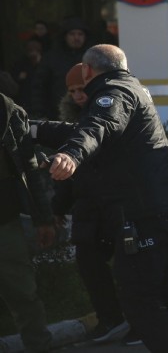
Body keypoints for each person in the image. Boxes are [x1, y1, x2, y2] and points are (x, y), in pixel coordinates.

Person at [42, 44, 168, 353]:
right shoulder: (129, 87)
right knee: (160, 290)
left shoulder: (113, 93)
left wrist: (71, 153)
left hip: (145, 211)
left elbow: (99, 126)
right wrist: (33, 130)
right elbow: (85, 128)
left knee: (139, 297)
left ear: (87, 71)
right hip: (160, 206)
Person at [41, 64, 139, 345]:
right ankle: (110, 318)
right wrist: (58, 208)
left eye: (81, 89)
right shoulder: (73, 120)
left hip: (117, 203)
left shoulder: (109, 111)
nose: (77, 96)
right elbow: (67, 175)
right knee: (89, 264)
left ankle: (135, 320)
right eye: (71, 91)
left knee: (128, 267)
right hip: (88, 207)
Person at [0, 93, 55, 353]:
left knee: (23, 295)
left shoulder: (10, 111)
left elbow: (30, 169)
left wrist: (43, 218)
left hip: (4, 222)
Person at [30, 17, 93, 119]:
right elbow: (39, 87)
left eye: (80, 34)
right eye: (72, 34)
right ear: (65, 36)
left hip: (89, 114)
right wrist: (40, 113)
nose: (76, 38)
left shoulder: (94, 57)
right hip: (56, 116)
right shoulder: (51, 58)